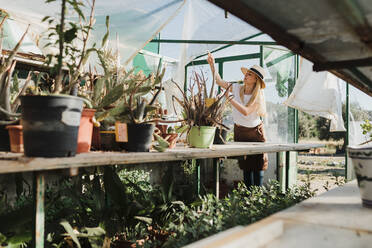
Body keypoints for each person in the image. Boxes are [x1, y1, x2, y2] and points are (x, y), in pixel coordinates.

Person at [207, 52, 268, 187]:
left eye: (249, 74)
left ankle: (258, 199)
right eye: (246, 73)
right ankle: (247, 200)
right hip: (240, 132)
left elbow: (246, 112)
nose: (246, 75)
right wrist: (212, 64)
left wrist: (230, 99)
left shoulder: (258, 96)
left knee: (258, 168)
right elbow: (219, 81)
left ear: (256, 80)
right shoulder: (236, 87)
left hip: (255, 134)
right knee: (245, 168)